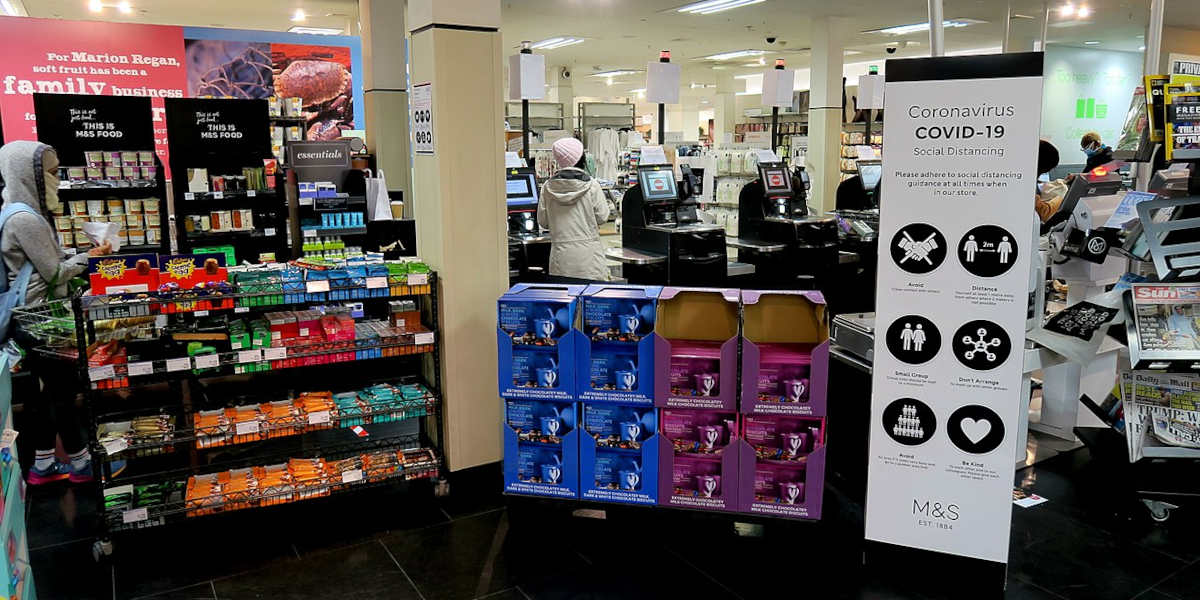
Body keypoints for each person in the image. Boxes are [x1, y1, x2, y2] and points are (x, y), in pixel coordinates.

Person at [0, 141, 114, 485]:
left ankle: (44, 463)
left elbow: (45, 262)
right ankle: (80, 464)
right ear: (29, 174)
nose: (57, 180)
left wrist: (78, 254)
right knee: (62, 392)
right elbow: (54, 273)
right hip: (41, 318)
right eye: (50, 172)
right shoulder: (26, 219)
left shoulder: (12, 209)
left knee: (48, 392)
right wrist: (89, 259)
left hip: (28, 316)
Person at [537, 137, 610, 281]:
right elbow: (602, 216)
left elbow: (543, 222)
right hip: (590, 260)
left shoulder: (547, 187)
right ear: (581, 158)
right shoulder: (592, 185)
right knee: (591, 295)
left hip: (561, 260)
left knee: (564, 293)